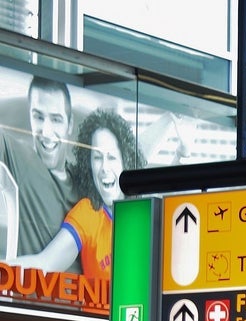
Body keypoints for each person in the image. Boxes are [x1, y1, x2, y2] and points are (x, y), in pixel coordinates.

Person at [14, 108, 143, 278]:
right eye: (97, 158)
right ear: (88, 164)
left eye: (111, 157)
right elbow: (45, 263)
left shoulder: (144, 213)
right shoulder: (88, 213)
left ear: (126, 161)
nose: (104, 168)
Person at [0, 77, 79, 262]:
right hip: (28, 280)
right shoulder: (19, 157)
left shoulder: (84, 181)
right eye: (38, 117)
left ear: (70, 124)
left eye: (56, 119)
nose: (46, 131)